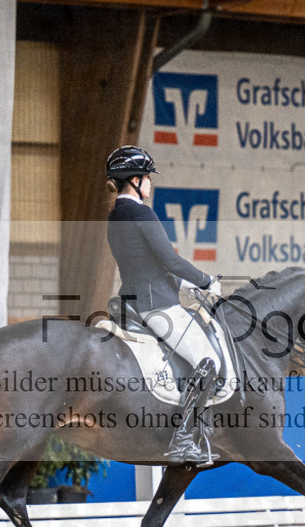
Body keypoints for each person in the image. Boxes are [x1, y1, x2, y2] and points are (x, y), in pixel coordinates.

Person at [105, 145, 222, 466]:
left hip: (134, 299)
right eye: (147, 178)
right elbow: (169, 259)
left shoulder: (116, 215)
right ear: (135, 180)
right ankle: (184, 438)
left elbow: (145, 264)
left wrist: (182, 283)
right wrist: (205, 280)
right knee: (208, 359)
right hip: (156, 305)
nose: (151, 184)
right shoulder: (142, 213)